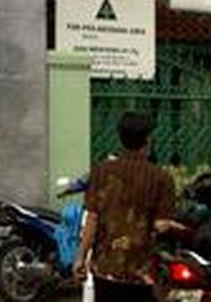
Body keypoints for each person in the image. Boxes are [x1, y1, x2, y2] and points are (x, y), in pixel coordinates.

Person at [74, 112, 177, 301]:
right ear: (148, 140)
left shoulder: (101, 171)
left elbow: (92, 218)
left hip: (105, 268)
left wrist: (80, 257)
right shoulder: (161, 178)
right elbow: (161, 225)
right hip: (142, 271)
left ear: (121, 139)